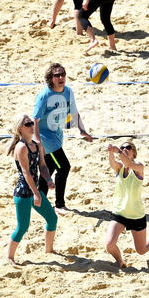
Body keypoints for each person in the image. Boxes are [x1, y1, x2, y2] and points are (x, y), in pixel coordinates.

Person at [33, 63, 93, 216]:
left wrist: (82, 129)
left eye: (63, 74)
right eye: (57, 75)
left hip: (58, 135)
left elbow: (74, 112)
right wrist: (38, 142)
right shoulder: (44, 95)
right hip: (46, 138)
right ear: (50, 78)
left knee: (50, 167)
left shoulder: (68, 92)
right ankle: (59, 205)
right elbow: (36, 120)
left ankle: (38, 200)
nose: (61, 77)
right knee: (64, 167)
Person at [7, 114, 58, 266]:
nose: (32, 126)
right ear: (20, 129)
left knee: (52, 219)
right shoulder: (21, 147)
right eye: (28, 124)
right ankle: (9, 257)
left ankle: (49, 251)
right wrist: (36, 194)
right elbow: (26, 173)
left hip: (35, 190)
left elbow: (42, 166)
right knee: (22, 227)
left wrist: (48, 179)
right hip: (24, 193)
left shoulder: (37, 145)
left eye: (32, 123)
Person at [106, 141, 149, 267]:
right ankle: (120, 261)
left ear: (134, 153)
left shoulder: (139, 167)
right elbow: (113, 163)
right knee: (109, 245)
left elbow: (129, 163)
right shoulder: (119, 168)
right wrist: (110, 152)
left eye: (128, 148)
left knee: (141, 251)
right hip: (119, 213)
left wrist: (118, 151)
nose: (124, 149)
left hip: (136, 215)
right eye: (122, 147)